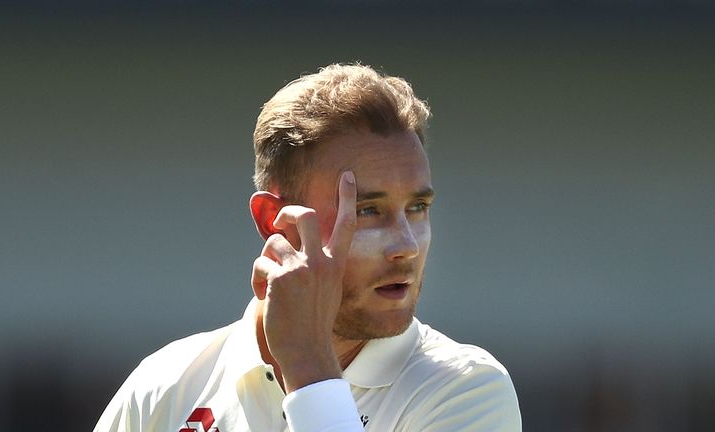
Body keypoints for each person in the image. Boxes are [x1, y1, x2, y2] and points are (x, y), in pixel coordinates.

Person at [94, 63, 521, 432]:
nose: (406, 246)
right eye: (368, 211)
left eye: (418, 207)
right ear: (273, 222)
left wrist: (307, 364)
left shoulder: (468, 390)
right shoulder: (165, 384)